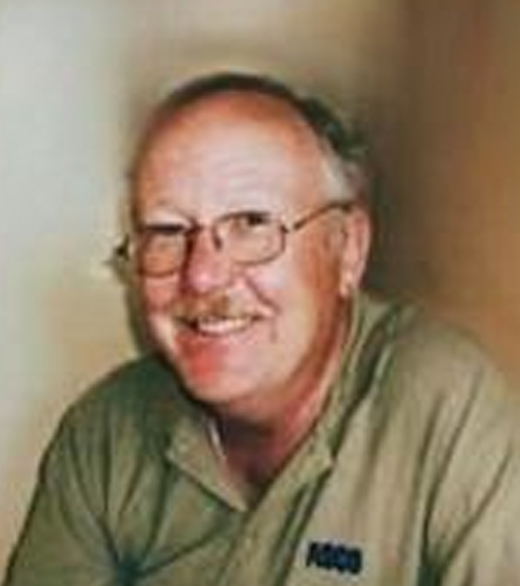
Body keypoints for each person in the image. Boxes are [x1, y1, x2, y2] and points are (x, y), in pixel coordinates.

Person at [3, 72, 520, 586]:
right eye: (167, 231)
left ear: (347, 249)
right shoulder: (105, 434)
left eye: (251, 223)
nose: (202, 275)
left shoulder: (446, 407)